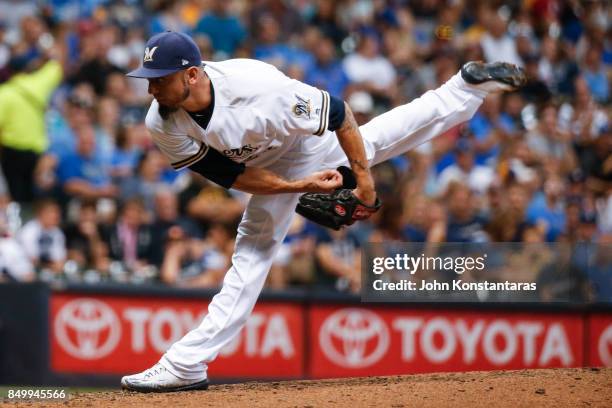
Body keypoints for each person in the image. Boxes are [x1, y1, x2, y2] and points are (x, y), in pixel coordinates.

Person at [120, 31, 525, 392]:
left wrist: (364, 183)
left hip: (303, 142)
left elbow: (339, 114)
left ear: (192, 75)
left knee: (377, 140)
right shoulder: (161, 122)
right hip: (266, 167)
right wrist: (299, 188)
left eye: (159, 79)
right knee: (255, 247)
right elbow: (234, 176)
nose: (151, 88)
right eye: (148, 79)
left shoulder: (257, 88)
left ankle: (185, 364)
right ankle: (463, 90)